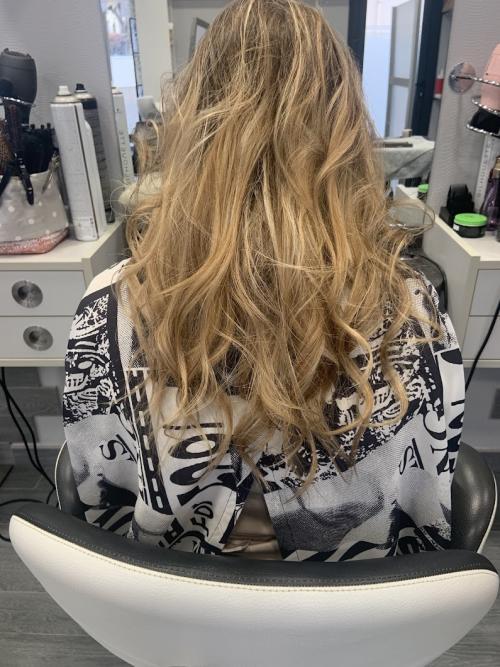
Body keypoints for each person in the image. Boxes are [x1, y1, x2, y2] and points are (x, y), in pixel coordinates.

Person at [63, 0, 464, 562]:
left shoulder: (109, 305)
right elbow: (428, 491)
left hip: (171, 590)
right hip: (354, 596)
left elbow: (96, 495)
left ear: (194, 124)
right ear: (347, 131)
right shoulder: (411, 307)